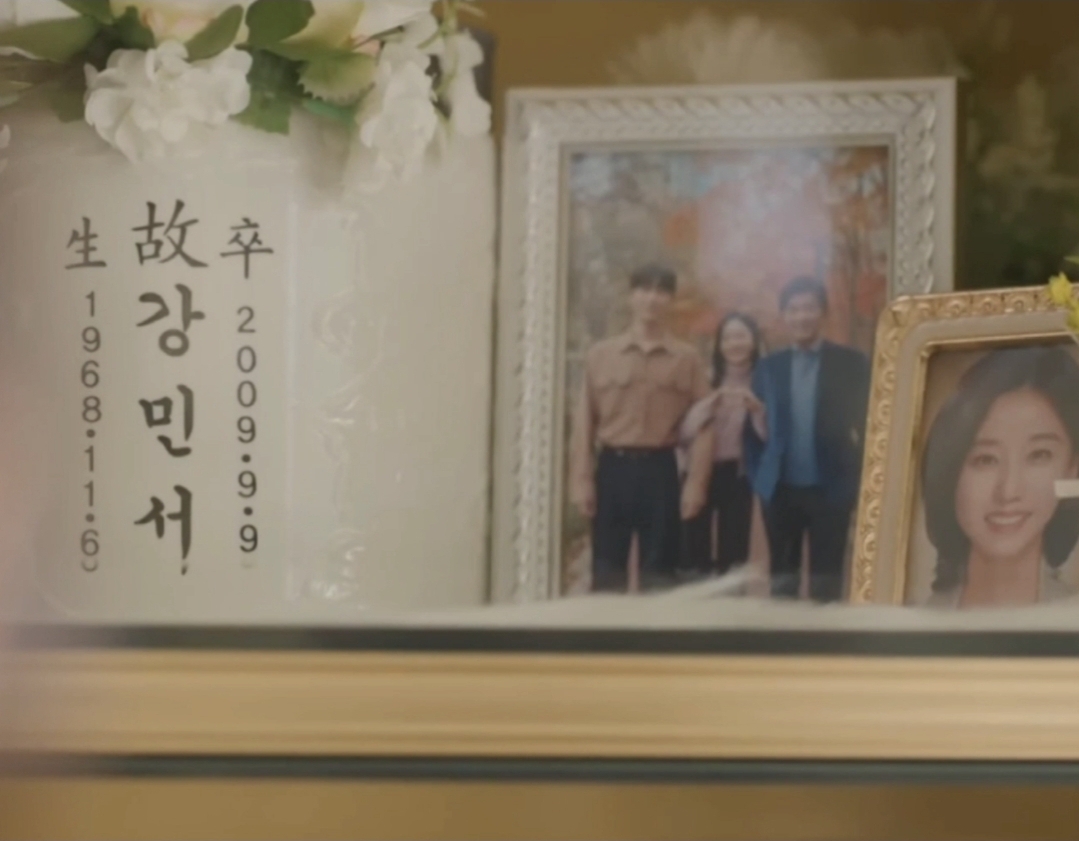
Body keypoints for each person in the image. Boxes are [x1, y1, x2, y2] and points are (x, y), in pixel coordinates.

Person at [569, 263, 712, 592]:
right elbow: (584, 423)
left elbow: (705, 425)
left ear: (671, 300)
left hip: (660, 471)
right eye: (644, 290)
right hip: (613, 470)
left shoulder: (686, 359)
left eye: (661, 292)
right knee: (607, 574)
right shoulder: (601, 355)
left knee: (659, 575)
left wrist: (696, 484)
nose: (652, 299)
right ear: (631, 297)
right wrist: (582, 481)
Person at [744, 275, 870, 602]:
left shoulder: (851, 363)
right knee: (782, 581)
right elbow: (753, 430)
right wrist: (760, 479)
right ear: (784, 316)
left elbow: (869, 423)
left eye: (809, 308)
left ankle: (825, 635)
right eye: (794, 309)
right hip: (780, 491)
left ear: (823, 313)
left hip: (832, 488)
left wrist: (858, 480)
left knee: (827, 581)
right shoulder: (769, 368)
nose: (802, 317)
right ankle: (783, 635)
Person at [921, 346, 1079, 608]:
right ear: (951, 469)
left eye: (1039, 455)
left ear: (1072, 467)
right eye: (986, 460)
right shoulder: (907, 622)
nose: (1008, 491)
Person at [679, 313, 767, 577]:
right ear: (719, 344)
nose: (734, 343)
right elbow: (682, 433)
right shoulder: (704, 379)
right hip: (697, 472)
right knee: (694, 551)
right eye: (727, 338)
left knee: (734, 554)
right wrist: (706, 407)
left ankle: (730, 601)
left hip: (738, 474)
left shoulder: (764, 382)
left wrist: (757, 412)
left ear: (753, 340)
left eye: (741, 336)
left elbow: (770, 438)